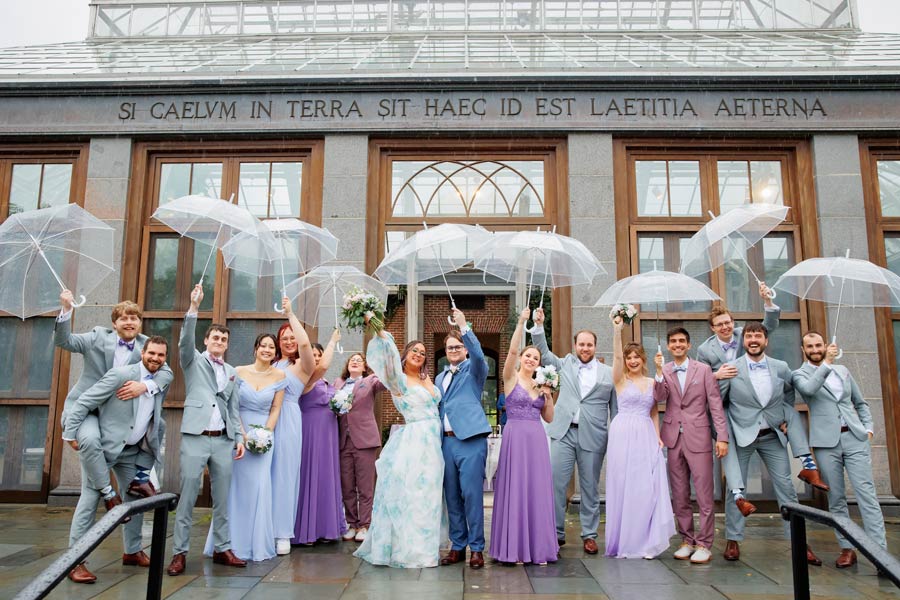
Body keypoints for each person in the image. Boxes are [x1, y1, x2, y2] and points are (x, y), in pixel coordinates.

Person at [696, 283, 828, 519]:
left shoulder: (746, 335)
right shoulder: (705, 350)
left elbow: (769, 326)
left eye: (728, 322)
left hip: (766, 419)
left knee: (785, 479)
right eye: (720, 325)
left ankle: (799, 536)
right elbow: (702, 380)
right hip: (731, 409)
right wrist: (716, 375)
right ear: (712, 328)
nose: (725, 327)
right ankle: (733, 537)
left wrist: (767, 301)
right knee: (734, 474)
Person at [62, 337, 170, 584]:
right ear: (143, 352)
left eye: (161, 355)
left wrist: (144, 387)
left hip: (132, 451)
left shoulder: (161, 379)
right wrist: (69, 432)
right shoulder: (119, 374)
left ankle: (132, 551)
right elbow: (85, 401)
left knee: (134, 500)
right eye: (151, 353)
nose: (155, 358)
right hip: (105, 451)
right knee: (89, 501)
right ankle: (74, 562)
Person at [56, 290, 173, 514]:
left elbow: (167, 373)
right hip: (89, 410)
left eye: (134, 318)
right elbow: (64, 340)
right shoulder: (97, 337)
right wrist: (66, 309)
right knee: (90, 441)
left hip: (118, 416)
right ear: (114, 323)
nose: (129, 322)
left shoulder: (146, 345)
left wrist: (145, 386)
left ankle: (132, 548)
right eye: (124, 318)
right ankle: (106, 494)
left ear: (140, 323)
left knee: (157, 427)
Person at [719, 322, 821, 565]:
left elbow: (788, 394)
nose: (753, 340)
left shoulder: (781, 367)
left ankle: (799, 542)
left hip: (772, 436)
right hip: (742, 436)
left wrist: (782, 418)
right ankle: (733, 539)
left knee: (786, 487)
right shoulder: (731, 368)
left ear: (766, 341)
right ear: (744, 341)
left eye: (758, 336)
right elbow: (719, 403)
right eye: (749, 336)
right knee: (736, 486)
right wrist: (724, 433)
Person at [167, 284, 246, 576]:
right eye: (215, 337)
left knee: (223, 498)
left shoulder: (232, 372)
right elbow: (184, 342)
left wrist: (238, 437)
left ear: (227, 344)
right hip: (195, 438)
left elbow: (234, 409)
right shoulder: (193, 360)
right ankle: (179, 553)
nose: (219, 341)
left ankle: (223, 548)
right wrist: (194, 307)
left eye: (224, 339)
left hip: (223, 440)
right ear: (207, 340)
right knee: (188, 495)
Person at [792, 333, 886, 569]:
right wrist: (827, 365)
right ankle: (847, 548)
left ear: (825, 346)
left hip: (854, 437)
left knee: (867, 494)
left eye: (818, 345)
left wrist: (868, 429)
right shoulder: (799, 374)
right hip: (826, 443)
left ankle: (880, 553)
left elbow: (860, 402)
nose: (815, 349)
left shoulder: (843, 370)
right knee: (836, 497)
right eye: (810, 346)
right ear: (803, 350)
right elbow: (810, 390)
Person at [354, 329, 444, 568]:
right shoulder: (397, 380)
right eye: (414, 350)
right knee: (413, 494)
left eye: (423, 353)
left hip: (434, 444)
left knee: (430, 497)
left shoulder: (427, 379)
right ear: (405, 355)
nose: (419, 354)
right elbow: (388, 360)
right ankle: (411, 551)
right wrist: (380, 332)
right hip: (415, 440)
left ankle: (427, 549)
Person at [531, 307, 615, 555]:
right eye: (581, 344)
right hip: (563, 432)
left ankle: (589, 535)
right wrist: (538, 326)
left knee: (590, 487)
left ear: (595, 347)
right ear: (575, 345)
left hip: (593, 435)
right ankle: (556, 533)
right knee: (556, 484)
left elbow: (615, 407)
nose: (585, 348)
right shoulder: (564, 363)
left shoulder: (608, 373)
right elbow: (543, 353)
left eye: (589, 345)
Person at [204, 333, 287, 561]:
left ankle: (256, 544)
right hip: (238, 435)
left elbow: (276, 409)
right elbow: (232, 406)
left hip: (263, 438)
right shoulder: (238, 371)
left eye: (271, 347)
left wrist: (264, 434)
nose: (267, 350)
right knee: (235, 489)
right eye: (263, 346)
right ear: (255, 348)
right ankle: (227, 543)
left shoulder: (280, 376)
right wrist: (242, 434)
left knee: (260, 487)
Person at [653, 327, 729, 564]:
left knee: (704, 494)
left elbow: (715, 404)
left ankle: (705, 543)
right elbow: (659, 397)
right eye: (673, 341)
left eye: (681, 341)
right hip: (673, 437)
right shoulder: (664, 369)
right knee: (679, 493)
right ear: (668, 346)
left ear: (688, 345)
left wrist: (723, 437)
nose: (677, 345)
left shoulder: (704, 370)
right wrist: (657, 373)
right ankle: (687, 540)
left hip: (699, 436)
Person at [489, 308, 558, 565]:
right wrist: (521, 322)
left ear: (539, 364)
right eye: (528, 355)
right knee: (516, 488)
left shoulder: (542, 384)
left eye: (535, 357)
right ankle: (515, 548)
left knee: (537, 489)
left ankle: (538, 548)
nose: (530, 359)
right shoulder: (510, 377)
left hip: (537, 439)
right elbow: (511, 352)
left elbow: (549, 417)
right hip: (516, 437)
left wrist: (548, 397)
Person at [605, 317, 675, 559]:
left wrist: (658, 438)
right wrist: (617, 331)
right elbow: (615, 359)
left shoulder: (651, 381)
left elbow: (654, 410)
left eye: (636, 357)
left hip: (646, 432)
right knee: (625, 485)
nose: (632, 361)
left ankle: (647, 541)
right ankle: (625, 541)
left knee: (646, 487)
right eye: (629, 357)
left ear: (643, 359)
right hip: (623, 433)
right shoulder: (619, 380)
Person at [436, 308, 491, 569]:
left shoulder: (474, 369)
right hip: (446, 442)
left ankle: (477, 549)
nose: (454, 350)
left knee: (471, 495)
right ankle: (457, 545)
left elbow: (480, 355)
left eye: (458, 346)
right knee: (452, 496)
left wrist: (463, 326)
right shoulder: (439, 377)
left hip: (470, 439)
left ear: (465, 349)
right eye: (450, 347)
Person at [271, 298, 316, 555]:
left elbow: (305, 344)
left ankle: (283, 532)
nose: (289, 341)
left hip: (288, 417)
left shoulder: (302, 365)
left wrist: (290, 314)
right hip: (265, 420)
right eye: (284, 338)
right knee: (265, 474)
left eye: (291, 337)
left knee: (285, 475)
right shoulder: (272, 363)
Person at [292, 328, 346, 544]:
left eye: (318, 355)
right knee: (310, 475)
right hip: (311, 432)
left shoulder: (327, 384)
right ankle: (307, 531)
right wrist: (333, 340)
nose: (315, 359)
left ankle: (327, 529)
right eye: (312, 355)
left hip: (329, 436)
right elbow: (323, 367)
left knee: (326, 477)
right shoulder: (306, 379)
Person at [334, 351, 385, 543]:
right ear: (347, 365)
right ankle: (352, 523)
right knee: (347, 485)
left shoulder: (371, 380)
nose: (355, 362)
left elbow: (385, 382)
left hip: (364, 440)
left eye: (359, 361)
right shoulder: (337, 383)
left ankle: (365, 525)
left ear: (365, 367)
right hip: (343, 441)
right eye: (352, 360)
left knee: (365, 486)